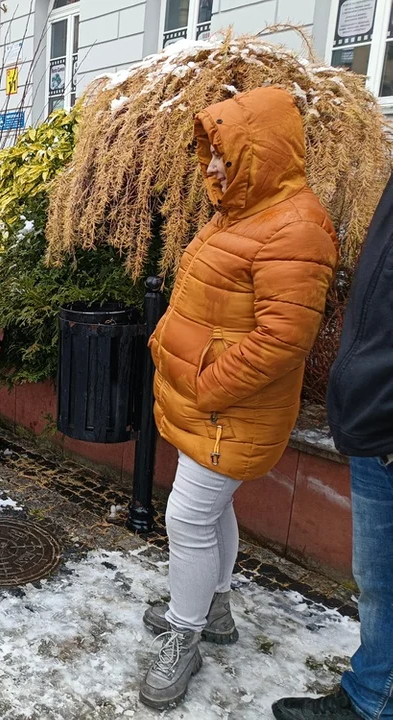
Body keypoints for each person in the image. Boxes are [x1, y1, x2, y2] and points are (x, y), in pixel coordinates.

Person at [141, 87, 337, 710]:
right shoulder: (241, 213)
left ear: (263, 152)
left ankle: (186, 631)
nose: (212, 168)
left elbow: (283, 338)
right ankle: (214, 604)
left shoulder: (296, 226)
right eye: (210, 155)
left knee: (187, 517)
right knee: (208, 510)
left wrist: (204, 385)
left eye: (224, 155)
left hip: (231, 407)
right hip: (213, 404)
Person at [271, 177, 393, 720]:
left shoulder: (296, 222)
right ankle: (372, 693)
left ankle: (372, 699)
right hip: (375, 418)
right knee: (378, 585)